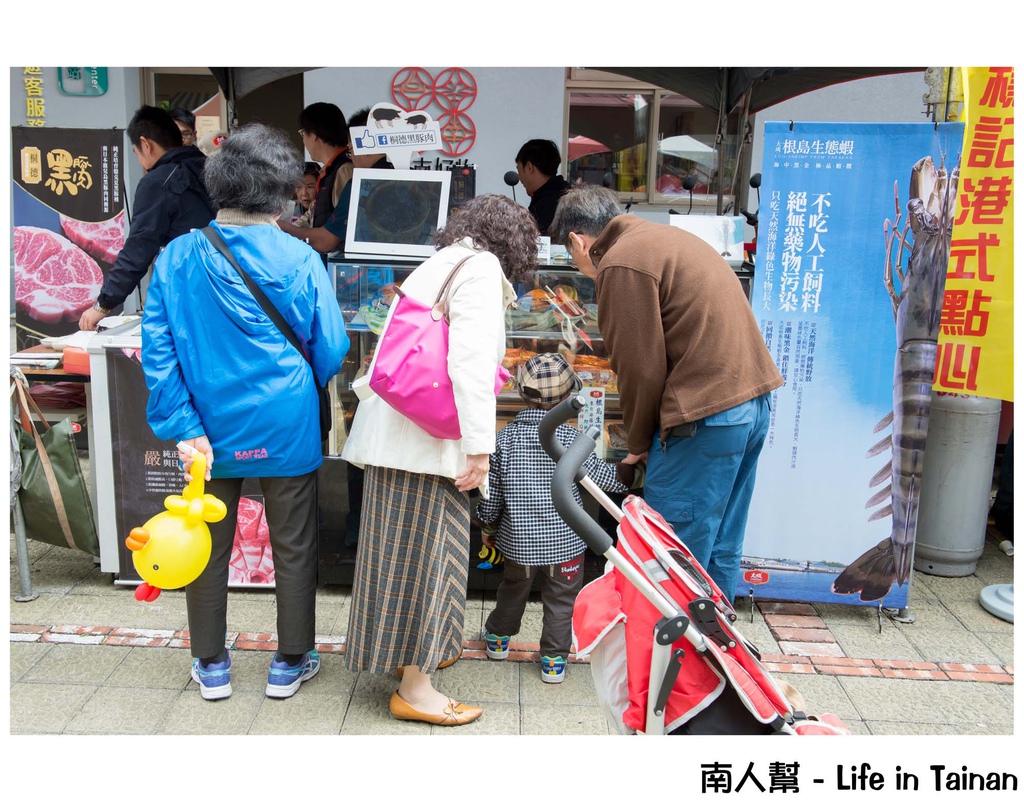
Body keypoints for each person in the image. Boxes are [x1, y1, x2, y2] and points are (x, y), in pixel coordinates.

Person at [141, 123, 349, 701]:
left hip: (206, 427)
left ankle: (211, 664)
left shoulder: (178, 257)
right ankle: (290, 661)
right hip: (286, 420)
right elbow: (331, 347)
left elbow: (157, 354)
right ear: (283, 189)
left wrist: (184, 426)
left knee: (203, 544)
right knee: (295, 543)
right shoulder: (300, 257)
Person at [341, 194, 539, 726]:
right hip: (430, 446)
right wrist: (480, 447)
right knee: (433, 562)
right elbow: (470, 363)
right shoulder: (481, 269)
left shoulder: (443, 260)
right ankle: (417, 689)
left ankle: (404, 663)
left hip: (396, 438)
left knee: (395, 557)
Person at [549, 185, 783, 601]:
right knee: (721, 545)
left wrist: (636, 443)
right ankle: (713, 654)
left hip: (704, 418)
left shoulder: (621, 262)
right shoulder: (663, 239)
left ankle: (676, 655)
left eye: (571, 256)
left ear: (577, 241)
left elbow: (638, 368)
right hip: (750, 404)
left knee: (673, 554)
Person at [476, 353, 630, 684]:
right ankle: (553, 663)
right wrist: (638, 468)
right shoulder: (573, 441)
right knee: (561, 601)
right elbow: (609, 482)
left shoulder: (503, 441)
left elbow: (493, 498)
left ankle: (498, 641)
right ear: (567, 399)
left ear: (520, 393)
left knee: (512, 590)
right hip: (566, 547)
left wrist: (486, 524)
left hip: (518, 544)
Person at [79, 105, 216, 331]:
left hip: (190, 293)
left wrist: (103, 305)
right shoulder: (212, 169)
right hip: (231, 288)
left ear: (145, 144)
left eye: (136, 152)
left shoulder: (159, 181)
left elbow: (139, 248)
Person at [277, 102, 353, 258]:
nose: (304, 141)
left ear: (314, 134)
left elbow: (342, 228)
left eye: (303, 134)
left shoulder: (344, 170)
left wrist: (283, 227)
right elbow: (311, 216)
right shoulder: (329, 171)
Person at [515, 139, 571, 236]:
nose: (519, 178)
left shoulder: (546, 205)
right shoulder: (568, 192)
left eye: (519, 170)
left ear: (529, 167)